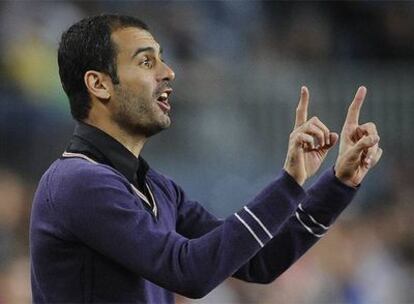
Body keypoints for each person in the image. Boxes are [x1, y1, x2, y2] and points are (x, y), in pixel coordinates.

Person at [29, 14, 382, 303]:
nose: (168, 72)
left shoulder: (156, 187)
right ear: (99, 84)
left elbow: (259, 262)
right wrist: (287, 185)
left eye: (162, 59)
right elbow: (189, 272)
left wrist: (338, 182)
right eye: (146, 61)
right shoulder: (78, 182)